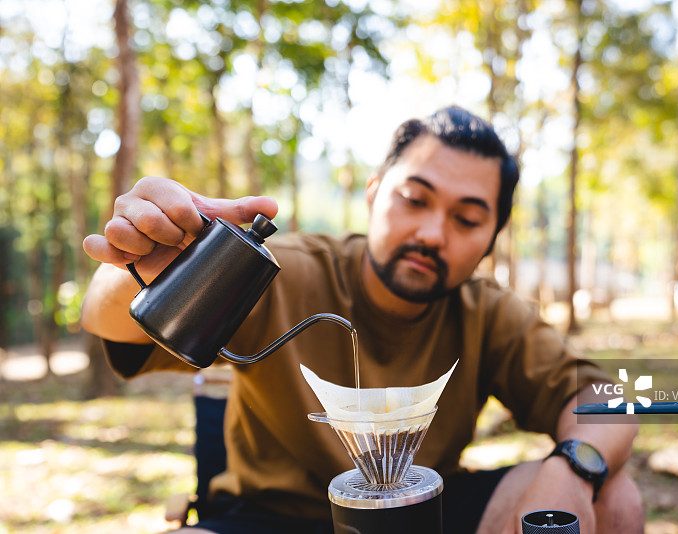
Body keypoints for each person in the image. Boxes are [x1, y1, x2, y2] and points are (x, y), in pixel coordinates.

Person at [81, 106, 643, 534]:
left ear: (491, 240)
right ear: (374, 195)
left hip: (420, 514)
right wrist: (150, 259)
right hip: (268, 517)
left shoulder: (487, 313)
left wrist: (574, 468)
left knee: (613, 497)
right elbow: (108, 320)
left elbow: (601, 399)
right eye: (414, 199)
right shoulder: (284, 275)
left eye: (467, 218)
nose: (431, 233)